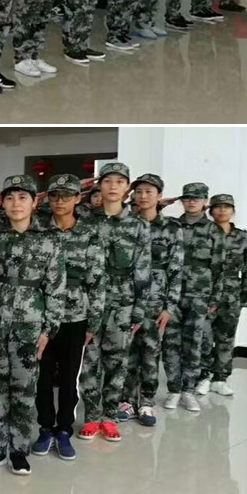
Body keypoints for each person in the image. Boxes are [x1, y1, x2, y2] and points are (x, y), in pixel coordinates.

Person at [0, 174, 64, 477]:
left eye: (23, 197)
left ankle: (18, 450)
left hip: (29, 327)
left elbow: (56, 288)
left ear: (34, 203)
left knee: (24, 391)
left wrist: (48, 330)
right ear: (1, 202)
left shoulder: (49, 239)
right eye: (10, 197)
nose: (16, 204)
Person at [78, 162, 151, 443]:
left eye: (120, 182)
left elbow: (143, 270)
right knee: (89, 361)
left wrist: (139, 310)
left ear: (127, 188)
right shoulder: (86, 220)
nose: (113, 187)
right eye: (108, 181)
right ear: (99, 185)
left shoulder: (138, 226)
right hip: (88, 300)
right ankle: (91, 417)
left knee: (117, 362)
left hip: (123, 302)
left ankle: (109, 417)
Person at [34, 174, 104, 462]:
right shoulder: (38, 229)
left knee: (68, 377)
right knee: (41, 376)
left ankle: (64, 429)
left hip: (75, 316)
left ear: (78, 198)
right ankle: (45, 428)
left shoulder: (89, 233)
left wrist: (94, 321)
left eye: (66, 196)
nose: (60, 201)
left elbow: (96, 280)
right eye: (54, 196)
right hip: (40, 316)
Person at [118, 173, 182, 427]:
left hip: (156, 301)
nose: (143, 196)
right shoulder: (127, 224)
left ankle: (146, 401)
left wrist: (169, 307)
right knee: (127, 352)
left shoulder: (171, 228)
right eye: (139, 192)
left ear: (159, 196)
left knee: (150, 353)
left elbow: (176, 269)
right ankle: (125, 400)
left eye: (148, 192)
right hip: (128, 297)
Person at [163, 182, 224, 412]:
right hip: (172, 294)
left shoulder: (213, 231)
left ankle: (188, 390)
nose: (191, 202)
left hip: (200, 294)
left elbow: (219, 267)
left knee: (193, 344)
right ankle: (173, 390)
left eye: (196, 198)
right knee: (170, 343)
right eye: (187, 198)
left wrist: (214, 299)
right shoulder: (172, 226)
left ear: (205, 201)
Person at [200, 193, 246, 395]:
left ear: (233, 211)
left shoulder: (243, 237)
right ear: (210, 211)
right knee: (203, 335)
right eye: (218, 207)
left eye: (226, 207)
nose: (222, 210)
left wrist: (243, 296)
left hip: (231, 293)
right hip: (206, 291)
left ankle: (220, 378)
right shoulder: (204, 234)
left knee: (226, 337)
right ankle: (203, 375)